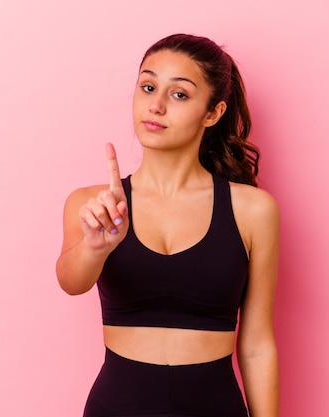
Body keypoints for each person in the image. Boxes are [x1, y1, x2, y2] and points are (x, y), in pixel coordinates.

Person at [56, 34, 279, 417]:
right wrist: (96, 246)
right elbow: (70, 283)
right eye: (148, 87)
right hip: (117, 407)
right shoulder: (93, 204)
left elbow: (257, 344)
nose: (155, 106)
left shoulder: (253, 210)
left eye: (179, 95)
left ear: (213, 113)